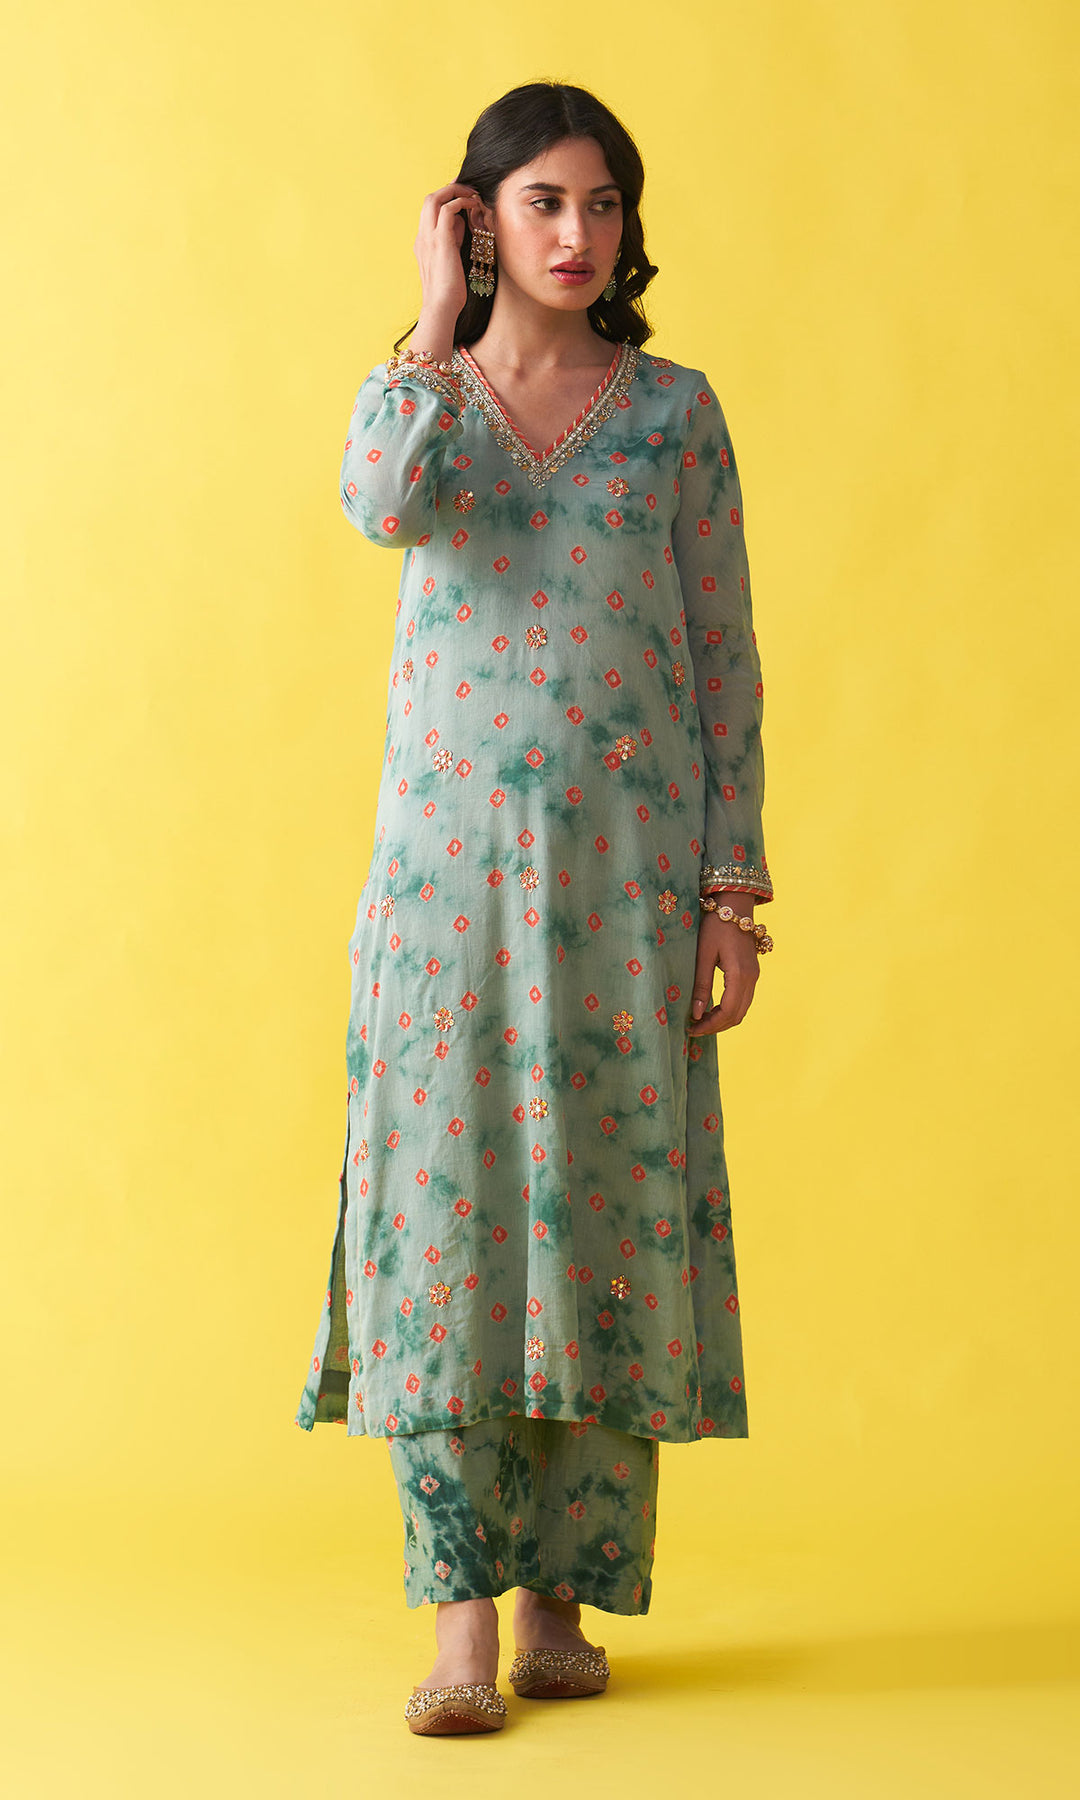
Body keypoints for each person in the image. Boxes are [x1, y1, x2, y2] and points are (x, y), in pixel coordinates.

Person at [294, 79, 775, 1736]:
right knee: (450, 1224)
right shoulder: (422, 404)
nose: (579, 233)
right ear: (479, 217)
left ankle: (564, 1599)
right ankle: (459, 1626)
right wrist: (434, 319)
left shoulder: (674, 414)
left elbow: (723, 657)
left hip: (625, 892)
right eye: (543, 202)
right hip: (445, 898)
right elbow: (378, 501)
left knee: (603, 1226)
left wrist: (728, 892)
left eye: (604, 203)